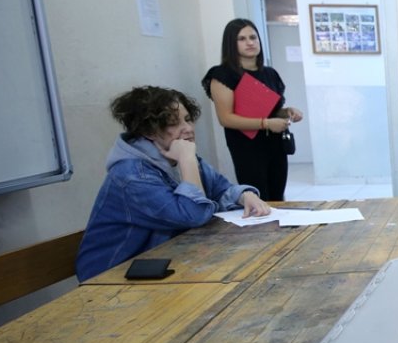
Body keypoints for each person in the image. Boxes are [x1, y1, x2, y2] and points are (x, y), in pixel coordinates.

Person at [76, 86, 271, 281]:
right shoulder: (132, 175)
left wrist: (245, 195)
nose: (188, 128)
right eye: (173, 123)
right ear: (149, 131)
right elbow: (193, 216)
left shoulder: (179, 155)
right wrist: (187, 160)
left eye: (187, 119)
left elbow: (220, 188)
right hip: (111, 275)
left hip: (160, 263)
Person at [201, 18, 304, 201]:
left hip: (275, 143)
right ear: (231, 44)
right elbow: (226, 118)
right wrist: (265, 123)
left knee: (277, 195)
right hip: (247, 146)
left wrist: (287, 112)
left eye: (253, 37)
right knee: (259, 196)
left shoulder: (269, 73)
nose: (250, 42)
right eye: (241, 39)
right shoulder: (223, 74)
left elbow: (272, 110)